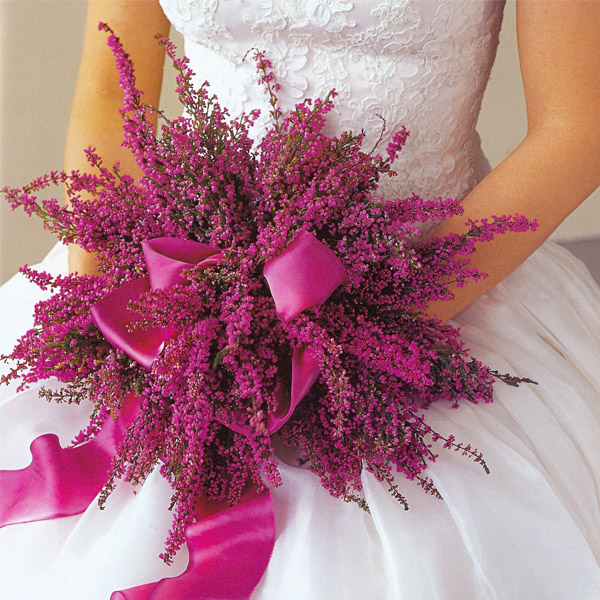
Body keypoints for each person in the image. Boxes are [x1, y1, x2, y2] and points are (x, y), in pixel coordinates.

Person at [1, 0, 599, 598]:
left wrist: (361, 334)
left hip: (432, 291)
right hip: (173, 290)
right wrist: (116, 306)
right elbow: (114, 87)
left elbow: (578, 128)